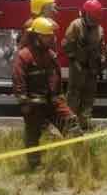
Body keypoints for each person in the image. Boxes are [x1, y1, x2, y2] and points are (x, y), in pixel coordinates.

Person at [13, 17, 76, 170]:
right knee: (33, 136)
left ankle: (78, 162)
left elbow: (57, 79)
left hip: (53, 103)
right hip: (34, 105)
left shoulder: (51, 55)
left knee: (73, 127)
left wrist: (60, 99)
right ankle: (34, 166)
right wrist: (24, 103)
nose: (52, 38)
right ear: (37, 37)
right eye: (48, 35)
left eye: (51, 35)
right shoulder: (24, 56)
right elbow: (18, 81)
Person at [62, 0, 104, 131]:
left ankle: (84, 123)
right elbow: (67, 44)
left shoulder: (99, 29)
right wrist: (74, 60)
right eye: (92, 15)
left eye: (96, 15)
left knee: (89, 96)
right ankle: (69, 125)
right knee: (73, 96)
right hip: (78, 66)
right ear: (86, 13)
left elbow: (101, 46)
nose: (94, 19)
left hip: (92, 68)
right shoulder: (76, 25)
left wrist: (101, 62)